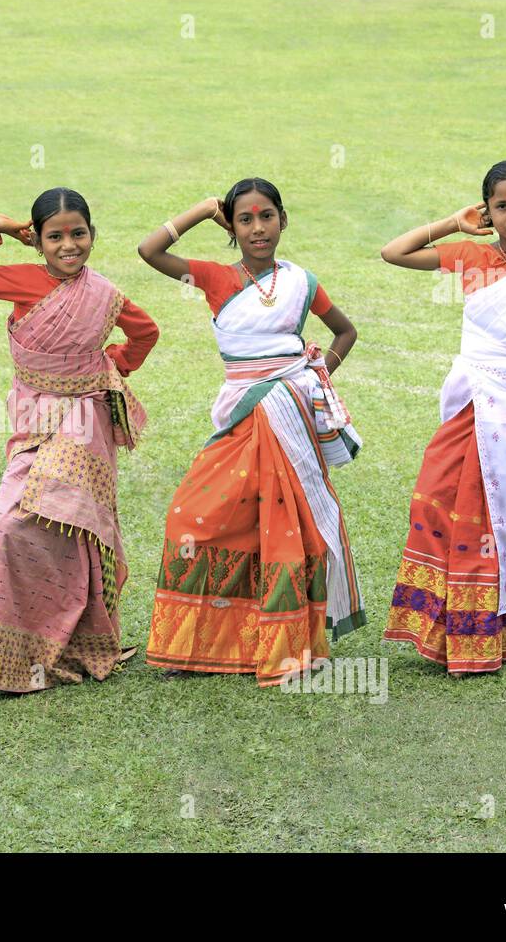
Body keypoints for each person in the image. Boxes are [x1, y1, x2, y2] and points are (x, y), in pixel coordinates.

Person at [138, 179, 365, 683]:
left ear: (284, 220)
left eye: (267, 217)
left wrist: (314, 376)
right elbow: (149, 250)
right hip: (242, 415)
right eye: (245, 219)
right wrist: (201, 209)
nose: (258, 228)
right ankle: (196, 644)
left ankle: (286, 643)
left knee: (285, 526)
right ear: (232, 226)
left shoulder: (302, 283)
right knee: (192, 517)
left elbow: (345, 332)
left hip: (289, 415)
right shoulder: (217, 278)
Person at [0, 187, 157, 692]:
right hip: (31, 418)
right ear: (36, 241)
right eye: (55, 236)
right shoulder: (25, 280)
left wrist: (107, 368)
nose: (68, 245)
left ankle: (83, 638)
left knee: (68, 520)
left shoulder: (103, 293)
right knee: (12, 524)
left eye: (78, 234)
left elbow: (146, 333)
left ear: (92, 236)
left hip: (85, 420)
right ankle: (33, 649)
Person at [380, 159, 506, 674]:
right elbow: (394, 252)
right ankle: (445, 624)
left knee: (500, 520)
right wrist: (453, 222)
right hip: (472, 406)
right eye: (502, 206)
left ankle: (489, 634)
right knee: (442, 503)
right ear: (488, 210)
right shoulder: (473, 258)